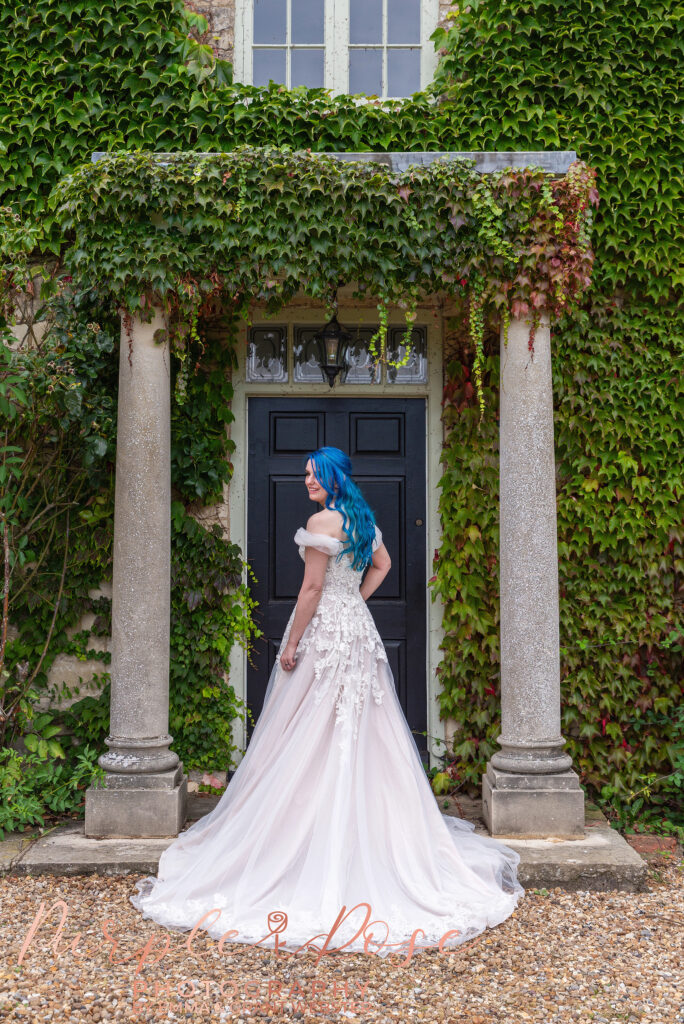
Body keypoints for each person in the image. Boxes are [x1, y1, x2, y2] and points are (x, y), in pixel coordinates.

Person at [130, 446, 524, 958]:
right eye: (306, 474)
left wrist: (290, 644)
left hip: (327, 634)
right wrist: (356, 599)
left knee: (307, 728)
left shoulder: (321, 520)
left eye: (314, 474)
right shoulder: (361, 518)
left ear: (332, 476)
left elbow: (311, 589)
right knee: (358, 728)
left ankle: (304, 838)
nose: (307, 481)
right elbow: (382, 564)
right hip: (358, 633)